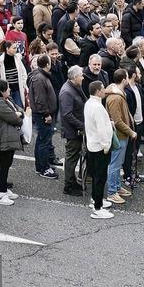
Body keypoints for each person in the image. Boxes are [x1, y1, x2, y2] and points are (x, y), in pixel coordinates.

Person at [104, 68, 137, 205]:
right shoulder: (116, 98)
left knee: (118, 164)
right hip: (119, 136)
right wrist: (131, 132)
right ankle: (112, 191)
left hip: (122, 135)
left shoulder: (118, 95)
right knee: (115, 165)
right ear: (124, 79)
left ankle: (116, 187)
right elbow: (117, 121)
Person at [0, 78, 24, 203]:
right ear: (2, 91)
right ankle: (0, 192)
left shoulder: (6, 100)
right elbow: (15, 119)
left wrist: (19, 114)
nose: (9, 89)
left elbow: (20, 112)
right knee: (1, 167)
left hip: (6, 138)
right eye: (7, 88)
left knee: (6, 165)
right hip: (0, 140)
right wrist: (18, 115)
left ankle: (3, 189)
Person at [83, 80, 114, 219]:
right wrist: (106, 145)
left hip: (92, 145)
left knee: (96, 175)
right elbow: (101, 129)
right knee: (100, 177)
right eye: (103, 89)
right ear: (97, 91)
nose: (105, 90)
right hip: (100, 147)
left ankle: (96, 200)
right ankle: (98, 207)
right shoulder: (98, 107)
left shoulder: (89, 104)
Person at [27, 54, 59, 179]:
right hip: (42, 115)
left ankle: (40, 166)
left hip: (42, 114)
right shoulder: (40, 79)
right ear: (47, 64)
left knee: (41, 140)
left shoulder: (39, 76)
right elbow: (40, 99)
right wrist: (46, 114)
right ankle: (44, 168)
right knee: (44, 142)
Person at [58, 65, 87, 196]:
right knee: (71, 158)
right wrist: (82, 126)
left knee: (74, 157)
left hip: (76, 130)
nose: (83, 77)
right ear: (75, 77)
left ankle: (72, 181)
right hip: (73, 131)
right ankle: (68, 185)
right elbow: (67, 114)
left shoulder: (74, 87)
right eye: (81, 75)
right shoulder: (67, 92)